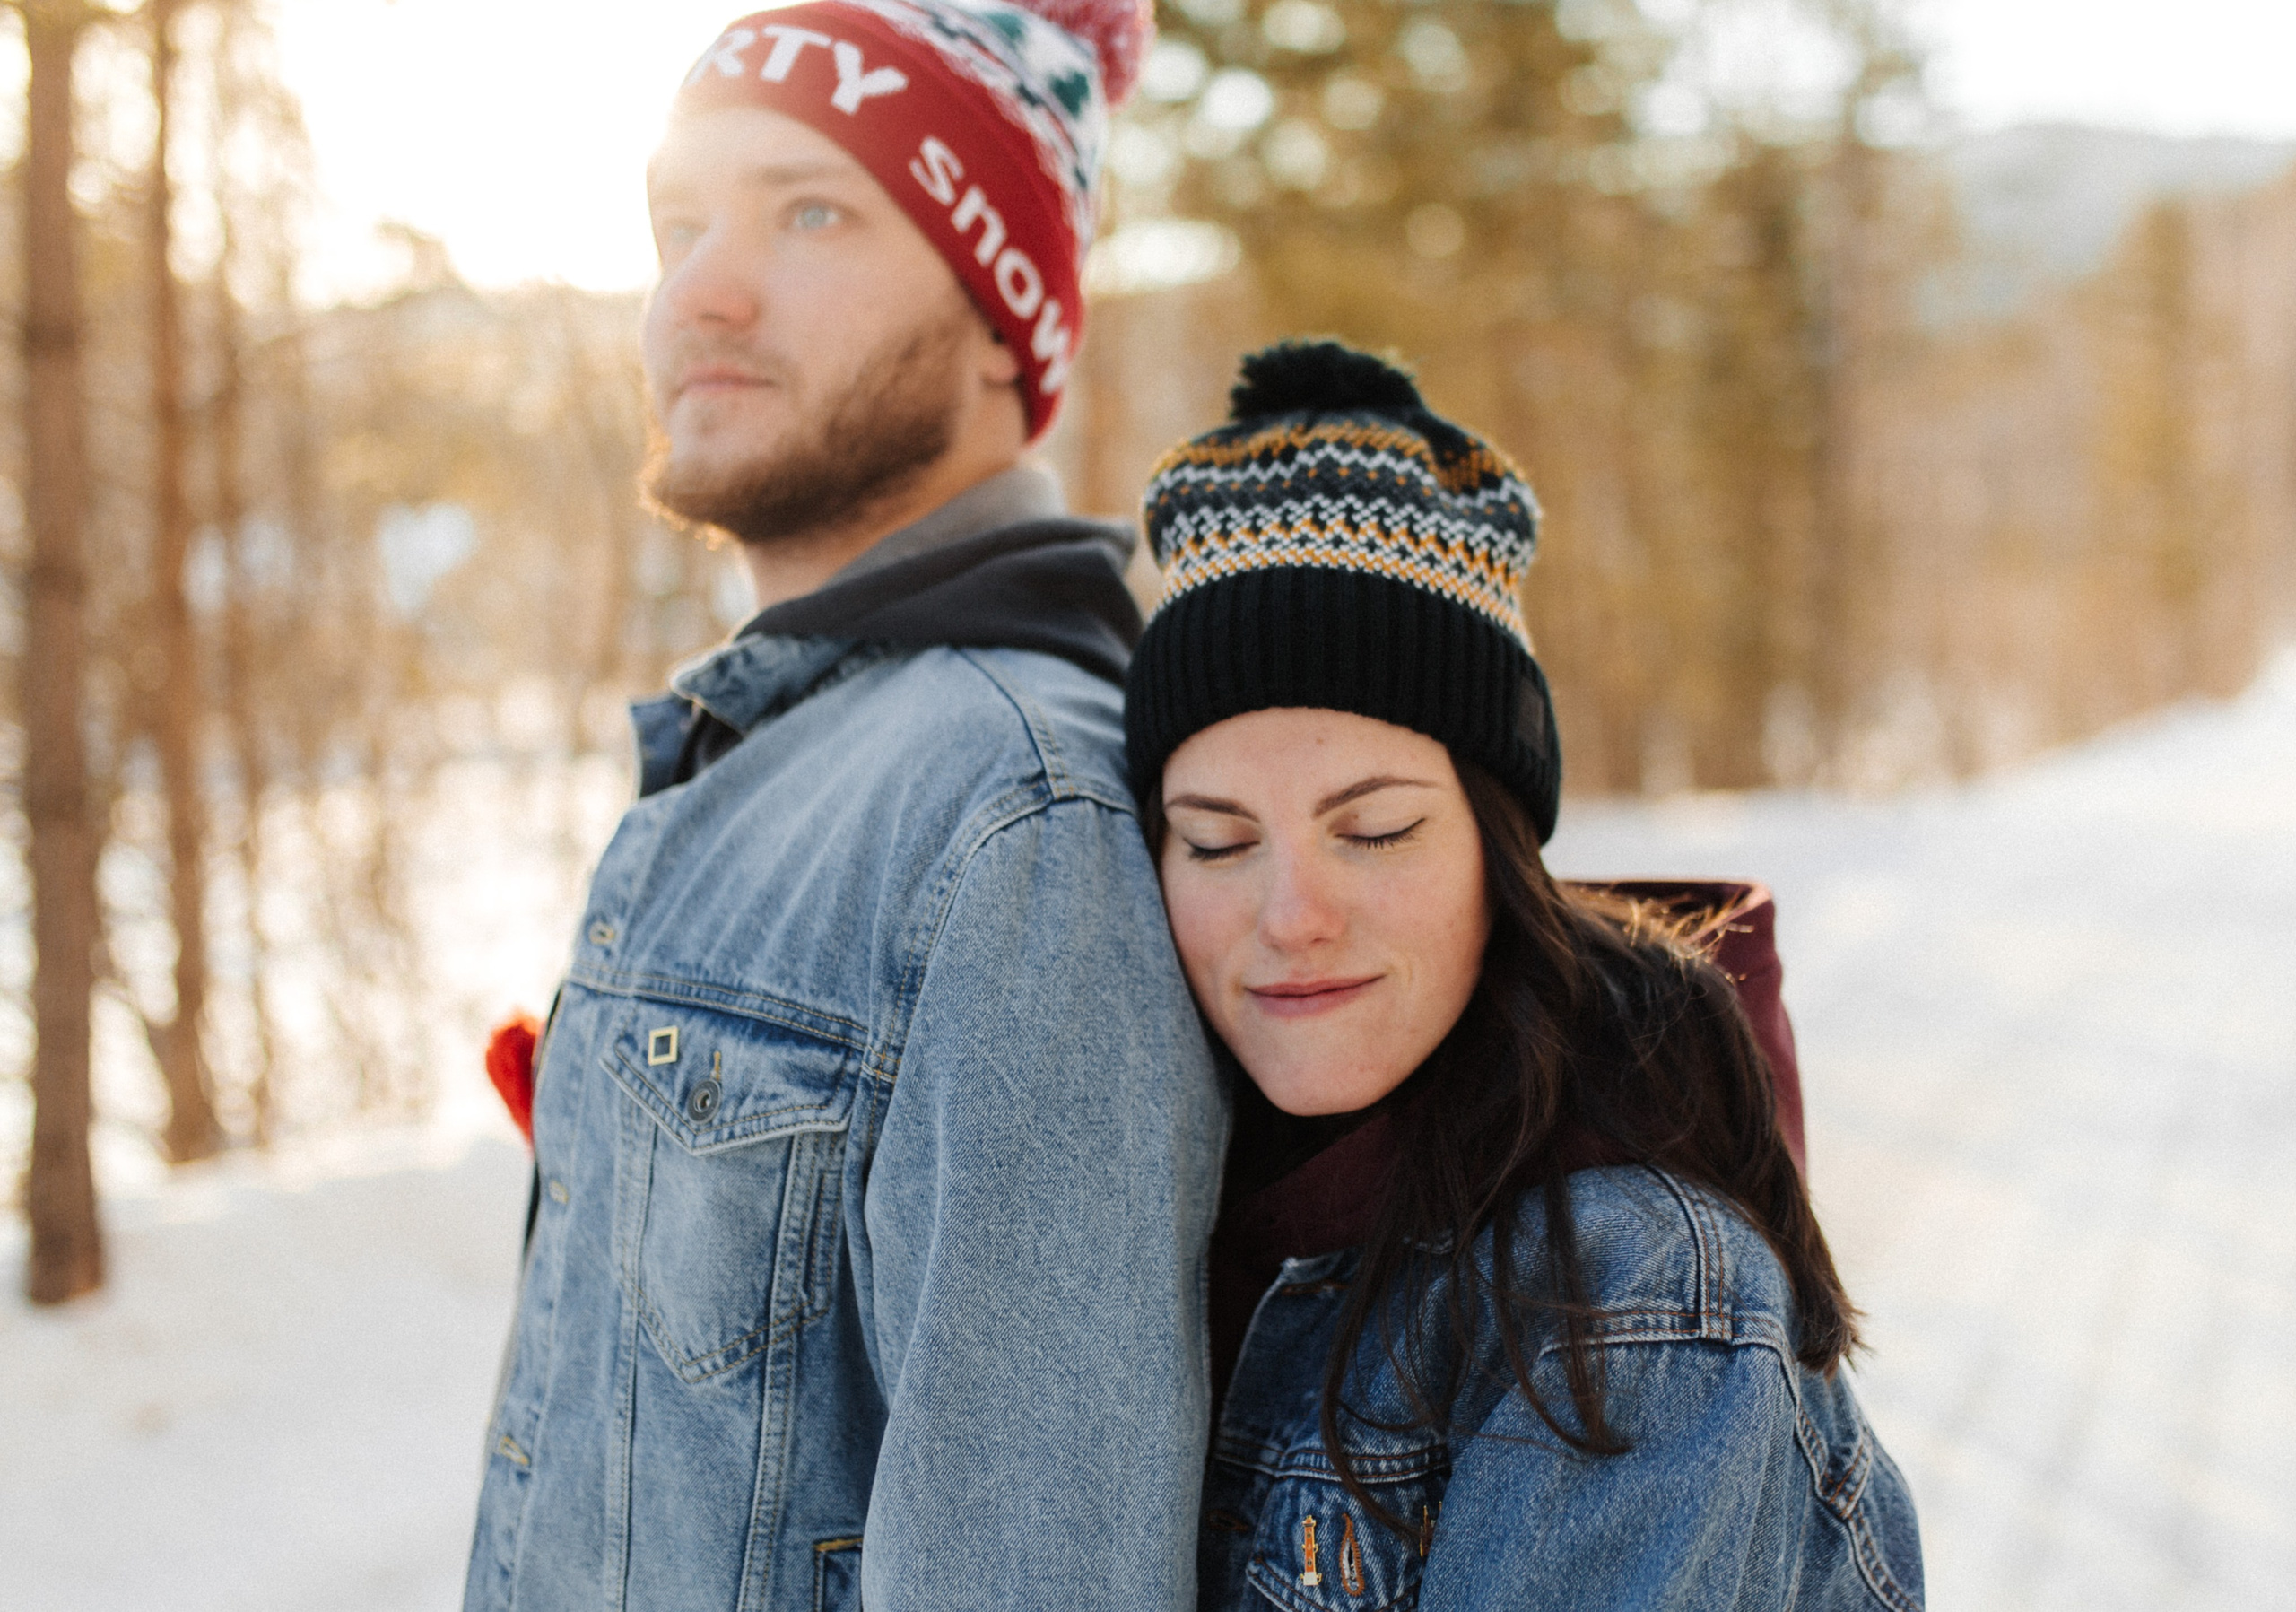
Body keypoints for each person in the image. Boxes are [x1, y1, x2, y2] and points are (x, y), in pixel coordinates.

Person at [463, 4, 1225, 1608]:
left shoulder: (1015, 818)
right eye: (683, 223)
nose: (700, 289)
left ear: (1006, 315)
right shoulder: (774, 750)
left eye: (813, 211)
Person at [1123, 341, 1925, 1608]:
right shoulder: (1158, 1199)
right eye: (1217, 839)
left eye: (1374, 828)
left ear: (1500, 847)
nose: (1289, 915)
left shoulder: (1630, 1294)